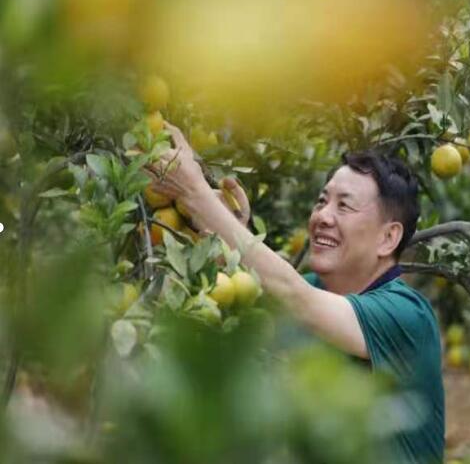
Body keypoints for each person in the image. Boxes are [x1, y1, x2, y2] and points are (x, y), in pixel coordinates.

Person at [149, 123, 445, 464]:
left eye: (344, 206)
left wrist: (195, 194)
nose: (322, 216)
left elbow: (293, 295)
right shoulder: (313, 292)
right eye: (322, 201)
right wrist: (224, 232)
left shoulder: (408, 315)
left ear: (387, 238)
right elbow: (252, 293)